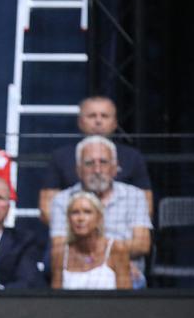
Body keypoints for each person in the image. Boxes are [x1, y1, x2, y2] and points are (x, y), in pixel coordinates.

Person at [49, 136, 151, 286]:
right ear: (78, 170)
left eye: (103, 162)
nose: (97, 170)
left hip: (129, 269)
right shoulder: (61, 200)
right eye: (89, 163)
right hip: (74, 266)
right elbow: (59, 245)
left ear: (115, 168)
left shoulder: (135, 196)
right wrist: (102, 255)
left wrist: (118, 259)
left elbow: (142, 244)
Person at [39, 96, 153, 224]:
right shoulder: (60, 157)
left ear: (115, 122)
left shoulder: (132, 156)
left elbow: (146, 207)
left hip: (120, 231)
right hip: (74, 230)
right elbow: (46, 209)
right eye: (92, 116)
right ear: (80, 121)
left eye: (104, 116)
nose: (98, 121)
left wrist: (107, 231)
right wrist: (81, 229)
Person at [51, 191, 132, 290]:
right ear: (68, 219)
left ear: (99, 218)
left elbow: (126, 295)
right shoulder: (60, 253)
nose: (80, 218)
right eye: (75, 212)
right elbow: (55, 296)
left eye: (87, 212)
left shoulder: (117, 249)